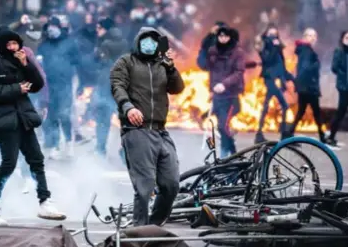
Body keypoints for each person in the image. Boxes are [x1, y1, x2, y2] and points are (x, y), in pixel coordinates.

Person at [0, 28, 65, 226]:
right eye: (9, 44)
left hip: (24, 118)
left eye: (15, 44)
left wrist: (27, 65)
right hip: (5, 120)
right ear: (3, 46)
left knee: (37, 159)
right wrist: (15, 89)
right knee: (9, 163)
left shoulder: (23, 63)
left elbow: (37, 84)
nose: (13, 48)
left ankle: (45, 201)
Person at [110, 27, 185, 227]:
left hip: (160, 130)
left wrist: (170, 67)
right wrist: (128, 107)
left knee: (171, 184)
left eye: (153, 41)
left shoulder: (163, 65)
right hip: (137, 130)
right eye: (145, 40)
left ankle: (154, 224)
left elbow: (177, 88)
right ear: (138, 42)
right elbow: (117, 86)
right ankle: (139, 231)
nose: (149, 44)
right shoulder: (126, 62)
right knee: (144, 187)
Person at [200, 25, 245, 158]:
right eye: (220, 36)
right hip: (217, 96)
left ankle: (228, 155)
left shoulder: (237, 52)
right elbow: (209, 69)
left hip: (231, 96)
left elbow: (239, 72)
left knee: (222, 126)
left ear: (230, 37)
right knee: (222, 127)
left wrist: (224, 84)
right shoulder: (213, 50)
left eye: (225, 36)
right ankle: (232, 155)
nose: (223, 39)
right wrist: (212, 89)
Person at [37, 16, 79, 159]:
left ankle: (68, 143)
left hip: (65, 85)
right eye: (49, 26)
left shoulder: (70, 43)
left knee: (65, 114)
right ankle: (53, 145)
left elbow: (77, 61)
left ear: (60, 27)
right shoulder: (44, 45)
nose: (51, 29)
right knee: (51, 116)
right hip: (48, 86)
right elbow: (39, 64)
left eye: (53, 26)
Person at [93, 17, 128, 156]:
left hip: (106, 86)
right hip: (123, 85)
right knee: (125, 121)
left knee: (103, 120)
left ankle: (100, 149)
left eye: (99, 28)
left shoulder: (105, 43)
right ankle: (125, 151)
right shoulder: (125, 42)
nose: (97, 31)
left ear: (106, 29)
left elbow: (100, 62)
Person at [254, 25, 293, 143]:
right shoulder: (264, 45)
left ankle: (259, 134)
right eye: (270, 32)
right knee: (284, 105)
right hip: (270, 79)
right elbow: (267, 60)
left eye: (275, 32)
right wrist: (275, 47)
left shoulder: (278, 47)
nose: (273, 35)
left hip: (277, 78)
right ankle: (283, 135)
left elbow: (281, 64)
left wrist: (288, 77)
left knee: (266, 105)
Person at [287, 28, 326, 141]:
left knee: (302, 111)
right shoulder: (306, 50)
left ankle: (289, 133)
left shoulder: (304, 49)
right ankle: (322, 136)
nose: (313, 38)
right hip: (309, 87)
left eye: (314, 35)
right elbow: (305, 68)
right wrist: (316, 65)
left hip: (305, 86)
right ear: (304, 37)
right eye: (310, 35)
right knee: (316, 112)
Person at [327, 30, 348, 148]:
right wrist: (343, 75)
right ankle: (331, 137)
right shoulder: (339, 51)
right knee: (341, 112)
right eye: (346, 37)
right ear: (342, 39)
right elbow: (334, 68)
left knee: (342, 112)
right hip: (344, 87)